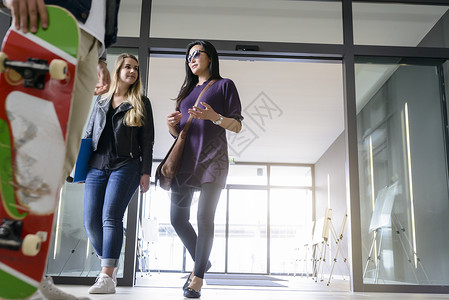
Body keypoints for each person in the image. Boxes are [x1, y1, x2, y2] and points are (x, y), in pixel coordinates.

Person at [0, 1, 121, 299]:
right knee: (22, 154)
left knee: (59, 161)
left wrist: (100, 54)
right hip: (48, 20)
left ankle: (29, 272)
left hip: (91, 41)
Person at [166, 40, 243, 298]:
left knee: (204, 217)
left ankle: (197, 277)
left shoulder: (224, 85)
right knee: (177, 219)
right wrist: (171, 125)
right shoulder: (186, 92)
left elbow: (237, 126)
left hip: (213, 161)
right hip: (186, 162)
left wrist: (214, 117)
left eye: (197, 54)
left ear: (210, 57)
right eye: (188, 56)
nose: (192, 58)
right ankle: (203, 261)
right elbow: (180, 134)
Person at [83, 53, 154, 294]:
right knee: (91, 221)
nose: (132, 71)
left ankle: (106, 276)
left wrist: (146, 172)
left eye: (136, 68)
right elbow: (90, 132)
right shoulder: (101, 99)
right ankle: (110, 264)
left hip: (127, 165)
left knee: (111, 216)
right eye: (128, 67)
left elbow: (148, 142)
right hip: (96, 165)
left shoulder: (142, 102)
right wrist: (79, 163)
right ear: (117, 70)